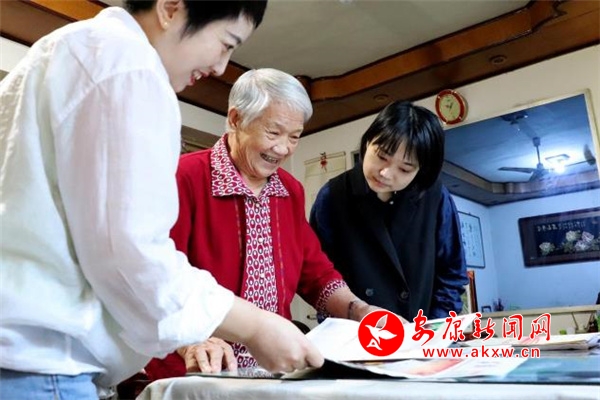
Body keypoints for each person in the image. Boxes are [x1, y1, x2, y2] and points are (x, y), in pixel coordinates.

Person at [0, 1, 325, 398]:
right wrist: (256, 326)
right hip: (45, 364)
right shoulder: (130, 66)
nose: (221, 67)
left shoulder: (67, 49)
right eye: (226, 43)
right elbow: (130, 252)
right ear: (171, 8)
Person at [145, 68, 382, 380]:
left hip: (274, 367)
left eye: (294, 137)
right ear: (236, 119)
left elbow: (315, 273)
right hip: (199, 369)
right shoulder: (184, 177)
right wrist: (190, 340)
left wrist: (360, 311)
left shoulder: (290, 191)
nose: (283, 148)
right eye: (273, 133)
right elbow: (153, 278)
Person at [310, 101, 469, 322]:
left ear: (420, 170)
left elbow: (452, 275)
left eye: (404, 169)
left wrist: (430, 329)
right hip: (354, 333)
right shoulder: (333, 196)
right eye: (381, 156)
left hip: (419, 331)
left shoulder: (435, 198)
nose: (385, 173)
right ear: (368, 142)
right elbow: (319, 278)